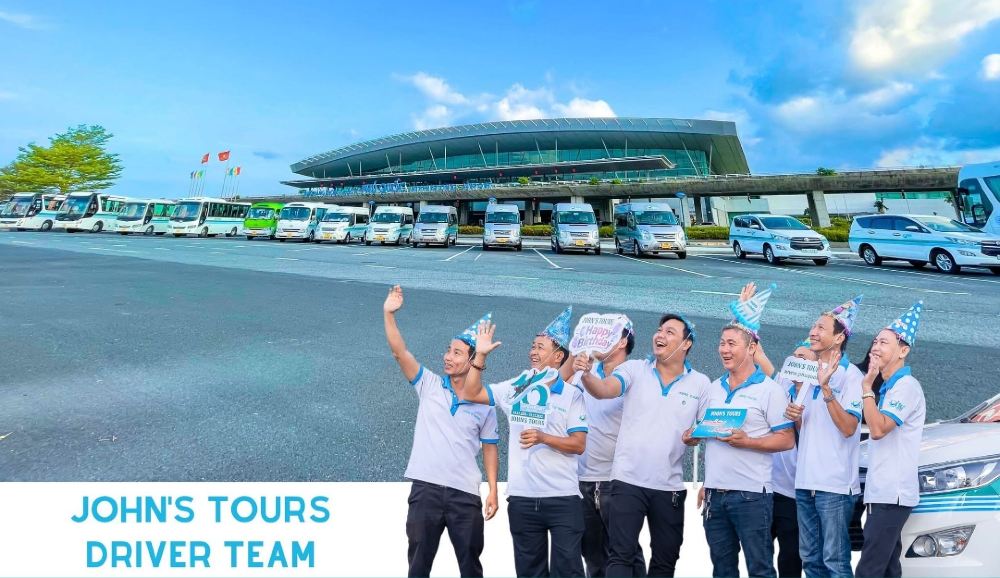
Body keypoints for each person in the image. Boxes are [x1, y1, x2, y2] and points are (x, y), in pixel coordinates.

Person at [577, 313, 710, 577]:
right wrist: (586, 375)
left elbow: (706, 428)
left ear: (686, 344)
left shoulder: (700, 383)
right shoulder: (635, 369)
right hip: (627, 481)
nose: (660, 335)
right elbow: (604, 390)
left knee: (665, 560)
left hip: (669, 487)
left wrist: (694, 436)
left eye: (670, 332)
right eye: (660, 330)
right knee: (620, 556)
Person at [461, 307, 589, 578]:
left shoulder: (571, 395)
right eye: (533, 346)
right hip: (522, 498)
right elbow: (471, 393)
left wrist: (543, 437)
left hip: (563, 498)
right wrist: (480, 356)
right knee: (529, 572)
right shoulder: (516, 387)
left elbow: (579, 444)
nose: (533, 352)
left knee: (569, 571)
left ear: (558, 356)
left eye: (541, 348)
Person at [383, 285, 500, 578]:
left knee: (470, 568)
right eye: (448, 350)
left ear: (473, 360)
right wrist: (389, 314)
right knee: (418, 567)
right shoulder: (430, 385)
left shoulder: (484, 403)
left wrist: (493, 489)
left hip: (465, 494)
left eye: (457, 353)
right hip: (426, 490)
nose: (448, 356)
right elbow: (399, 352)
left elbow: (490, 447)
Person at [683, 283, 795, 578]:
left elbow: (787, 439)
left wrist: (748, 441)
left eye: (732, 343)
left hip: (752, 496)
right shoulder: (713, 388)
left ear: (752, 348)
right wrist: (692, 437)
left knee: (760, 569)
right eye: (722, 343)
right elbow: (707, 433)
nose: (724, 349)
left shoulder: (770, 390)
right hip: (715, 496)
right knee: (722, 569)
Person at [784, 296, 864, 578]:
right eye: (813, 327)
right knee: (811, 561)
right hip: (805, 481)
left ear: (839, 337)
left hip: (835, 486)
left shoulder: (851, 376)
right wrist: (794, 413)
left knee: (835, 561)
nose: (813, 332)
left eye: (821, 328)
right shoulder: (807, 373)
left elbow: (849, 427)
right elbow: (804, 429)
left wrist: (827, 390)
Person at [566, 315, 646, 578]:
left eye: (607, 335)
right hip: (582, 479)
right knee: (593, 556)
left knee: (625, 553)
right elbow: (551, 390)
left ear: (623, 342)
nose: (598, 340)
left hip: (618, 481)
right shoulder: (583, 372)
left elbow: (602, 390)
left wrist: (586, 374)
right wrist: (576, 357)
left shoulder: (635, 373)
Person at [855, 302, 926, 578]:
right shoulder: (890, 387)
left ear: (903, 351)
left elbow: (878, 428)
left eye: (883, 342)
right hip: (883, 492)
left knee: (869, 569)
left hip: (891, 493)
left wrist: (866, 387)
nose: (875, 347)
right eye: (875, 341)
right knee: (887, 568)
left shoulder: (905, 386)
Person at [770, 340, 816, 578]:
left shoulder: (819, 396)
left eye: (803, 358)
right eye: (795, 355)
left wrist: (798, 418)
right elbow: (758, 356)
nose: (797, 360)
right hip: (768, 488)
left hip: (797, 494)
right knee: (759, 555)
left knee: (790, 558)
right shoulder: (782, 384)